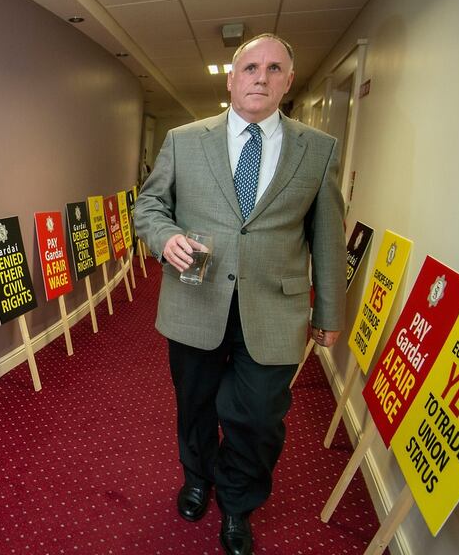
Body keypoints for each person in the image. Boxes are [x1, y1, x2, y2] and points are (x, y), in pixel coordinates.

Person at [133, 34, 345, 555]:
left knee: (257, 416)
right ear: (231, 79)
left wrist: (329, 310)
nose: (261, 77)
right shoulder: (185, 140)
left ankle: (237, 501)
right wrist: (166, 239)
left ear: (288, 81)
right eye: (250, 67)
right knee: (196, 404)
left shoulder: (318, 150)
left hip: (276, 307)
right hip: (195, 301)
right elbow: (149, 207)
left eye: (274, 69)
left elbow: (328, 236)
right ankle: (198, 477)